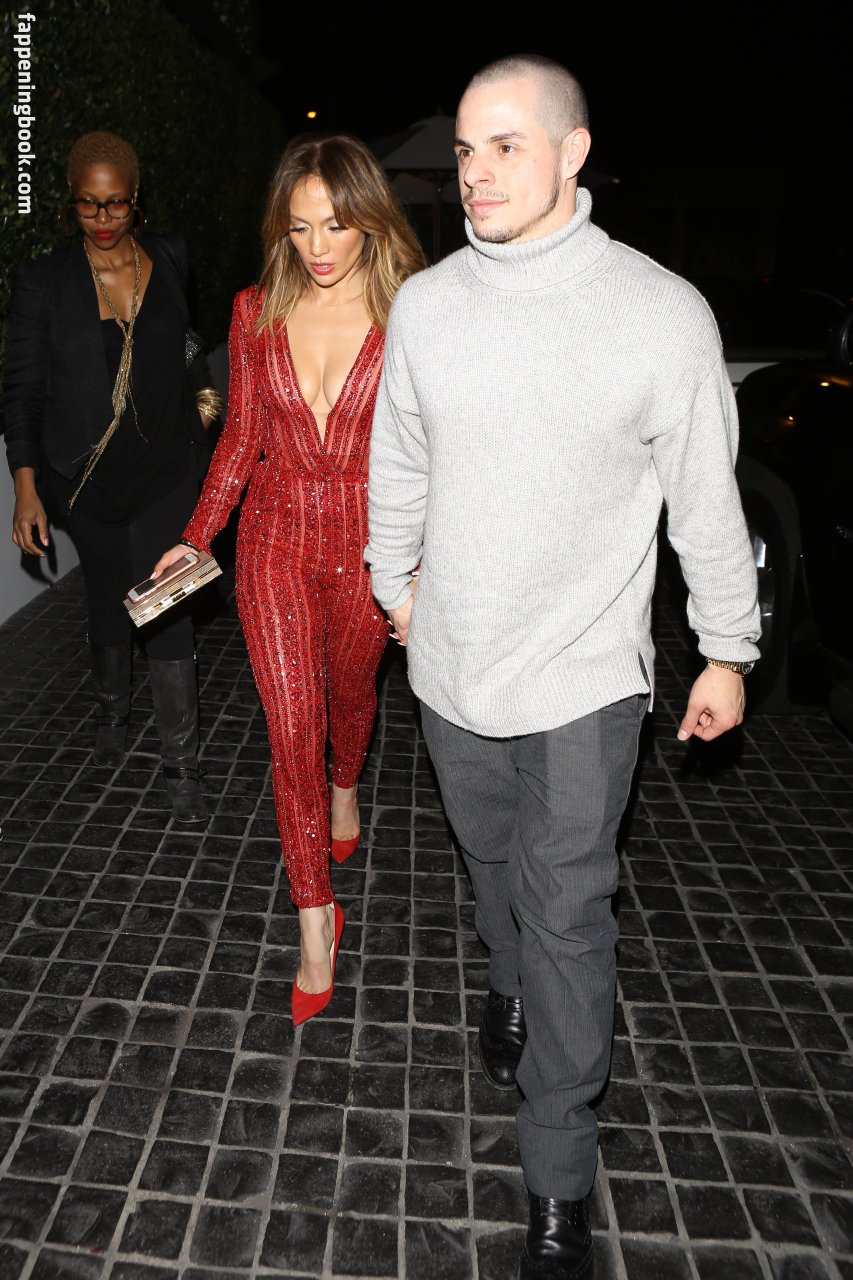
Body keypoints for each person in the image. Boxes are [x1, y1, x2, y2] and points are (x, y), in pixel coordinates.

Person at [365, 54, 760, 1280]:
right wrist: (393, 584)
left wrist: (727, 647)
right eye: (465, 151)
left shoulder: (659, 312)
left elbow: (704, 498)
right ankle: (508, 977)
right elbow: (400, 461)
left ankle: (556, 1167)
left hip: (590, 675)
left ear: (572, 152)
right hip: (454, 665)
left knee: (571, 908)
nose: (474, 173)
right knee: (495, 869)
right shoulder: (427, 305)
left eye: (505, 146)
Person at [151, 133, 426, 1025]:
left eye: (335, 225)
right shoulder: (254, 309)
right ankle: (315, 920)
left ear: (368, 222)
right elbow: (239, 438)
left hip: (369, 543)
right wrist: (196, 537)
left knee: (351, 698)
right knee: (290, 727)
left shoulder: (412, 311)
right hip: (272, 541)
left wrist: (421, 566)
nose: (317, 246)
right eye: (300, 227)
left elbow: (433, 448)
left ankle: (349, 782)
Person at [3, 130, 221, 824]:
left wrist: (203, 416)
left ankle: (181, 765)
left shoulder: (169, 257)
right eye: (87, 205)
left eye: (117, 204)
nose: (102, 219)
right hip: (86, 481)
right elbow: (23, 390)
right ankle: (111, 712)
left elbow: (187, 345)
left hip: (165, 474)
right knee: (105, 598)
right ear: (71, 202)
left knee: (167, 609)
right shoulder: (44, 280)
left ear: (136, 200)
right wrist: (27, 487)